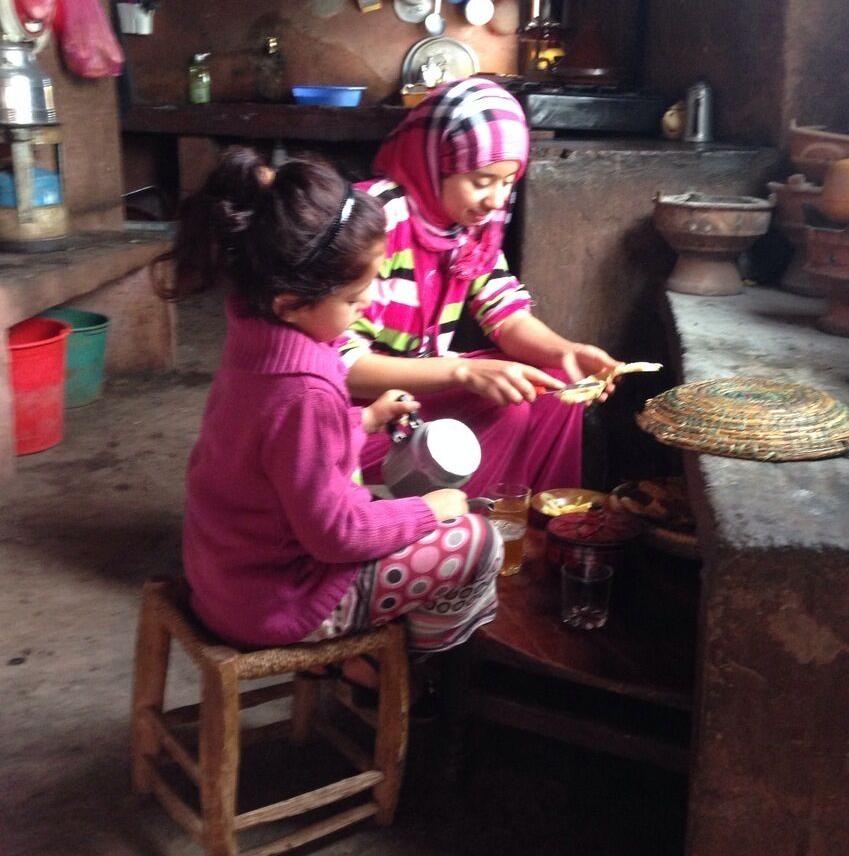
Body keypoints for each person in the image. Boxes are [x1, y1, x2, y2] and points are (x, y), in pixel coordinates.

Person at [153, 147, 502, 660]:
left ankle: (372, 661)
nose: (371, 305)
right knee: (478, 542)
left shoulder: (254, 332)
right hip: (280, 604)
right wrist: (427, 513)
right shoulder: (308, 386)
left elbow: (275, 451)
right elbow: (337, 535)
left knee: (384, 498)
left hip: (225, 579)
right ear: (290, 303)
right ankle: (395, 671)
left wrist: (364, 419)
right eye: (355, 300)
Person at [342, 77, 622, 498]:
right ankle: (465, 531)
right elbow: (340, 367)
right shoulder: (376, 220)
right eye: (481, 180)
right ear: (437, 160)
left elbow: (505, 312)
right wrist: (462, 371)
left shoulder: (470, 227)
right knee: (505, 412)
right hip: (357, 416)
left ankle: (543, 526)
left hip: (414, 393)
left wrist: (566, 352)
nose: (495, 200)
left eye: (507, 182)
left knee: (558, 387)